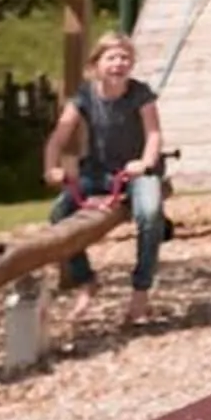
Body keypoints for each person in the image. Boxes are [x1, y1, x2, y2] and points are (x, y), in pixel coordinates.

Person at [44, 34, 167, 326]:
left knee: (149, 214)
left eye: (125, 58)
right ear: (96, 65)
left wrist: (146, 162)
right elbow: (58, 137)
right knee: (59, 214)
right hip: (99, 172)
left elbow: (154, 134)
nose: (118, 64)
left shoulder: (140, 94)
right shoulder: (84, 97)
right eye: (111, 58)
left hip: (137, 172)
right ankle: (86, 279)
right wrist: (51, 168)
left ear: (131, 64)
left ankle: (140, 291)